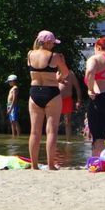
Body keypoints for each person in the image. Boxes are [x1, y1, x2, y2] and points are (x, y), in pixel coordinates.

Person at [27, 29, 70, 170]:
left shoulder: (30, 54)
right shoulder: (55, 56)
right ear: (47, 42)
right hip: (51, 91)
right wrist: (59, 78)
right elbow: (65, 73)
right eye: (52, 42)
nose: (53, 45)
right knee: (52, 131)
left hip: (34, 92)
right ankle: (51, 165)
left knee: (34, 131)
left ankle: (34, 165)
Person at [58, 66, 83, 137]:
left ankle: (68, 141)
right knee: (53, 120)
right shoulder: (55, 73)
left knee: (67, 121)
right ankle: (53, 141)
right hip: (56, 100)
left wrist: (79, 100)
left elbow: (77, 87)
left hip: (67, 99)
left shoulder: (70, 73)